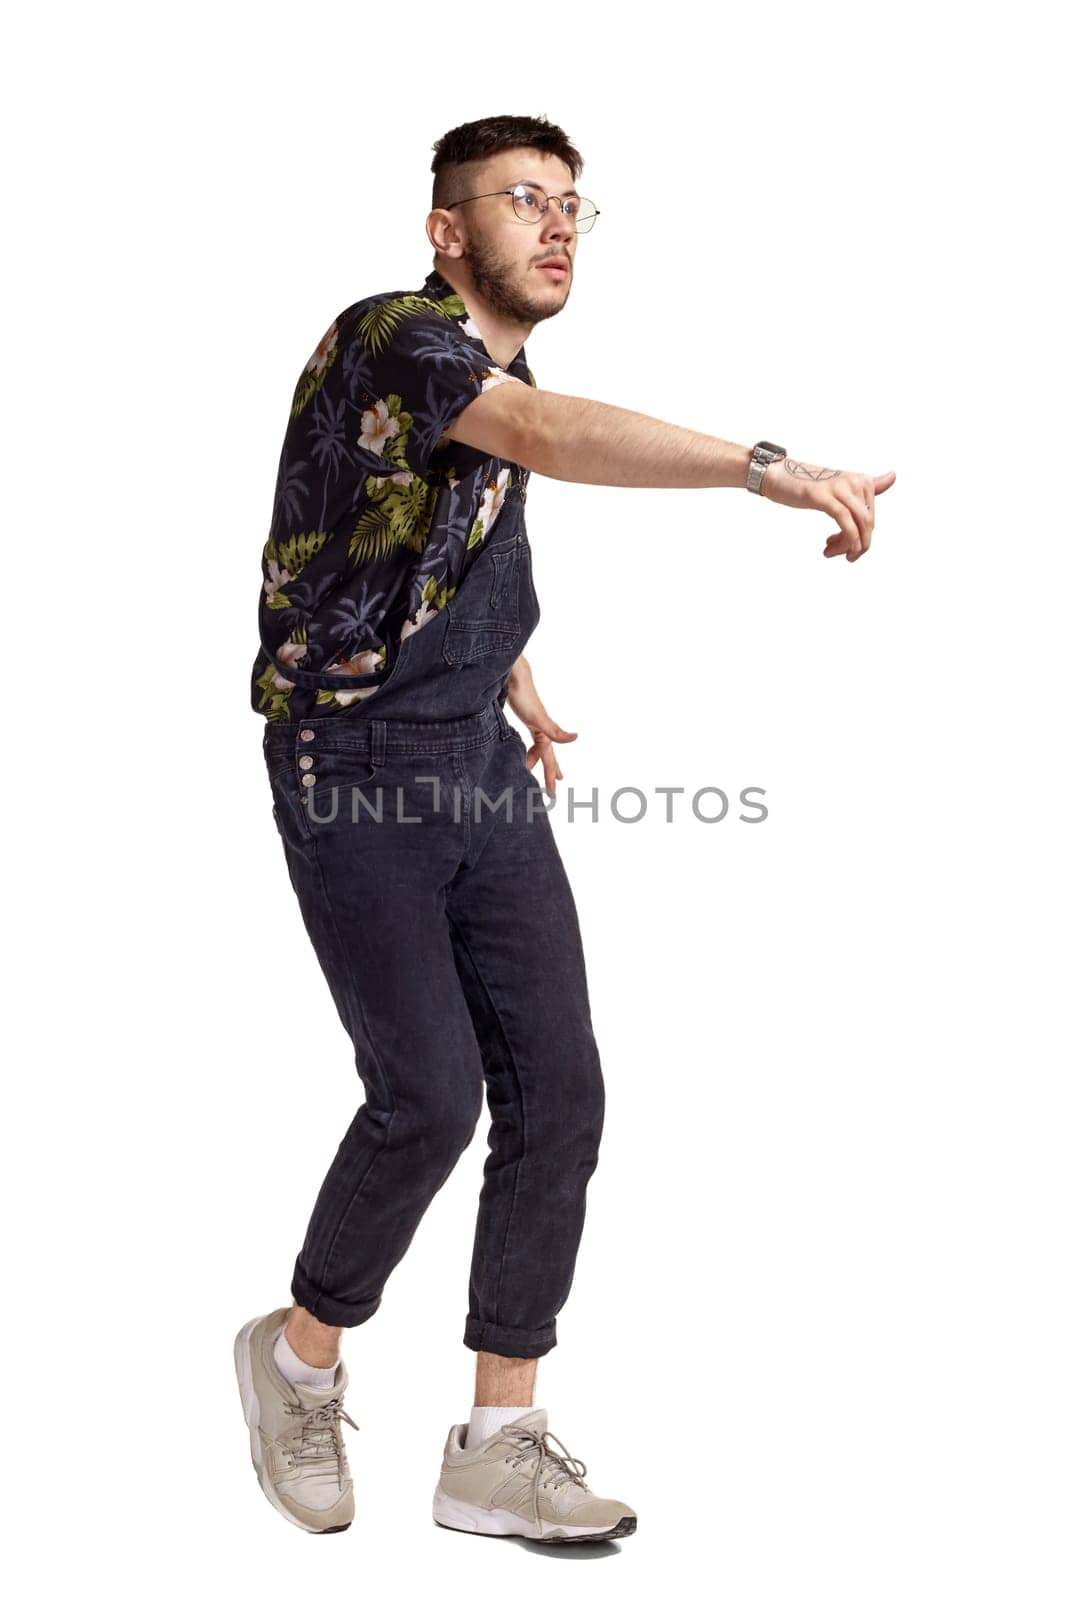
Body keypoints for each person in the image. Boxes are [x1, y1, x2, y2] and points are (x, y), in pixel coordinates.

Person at [234, 112, 896, 1544]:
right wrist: (761, 466)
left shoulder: (492, 370)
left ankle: (497, 1436)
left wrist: (501, 663)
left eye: (574, 207)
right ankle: (296, 1359)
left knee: (562, 1093)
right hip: (351, 765)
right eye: (521, 199)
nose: (554, 225)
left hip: (470, 752)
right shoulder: (399, 333)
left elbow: (433, 517)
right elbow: (528, 435)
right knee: (429, 1100)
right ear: (445, 229)